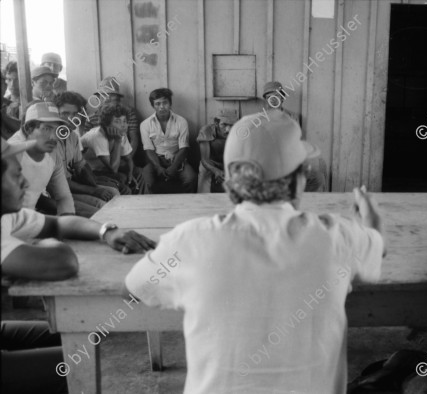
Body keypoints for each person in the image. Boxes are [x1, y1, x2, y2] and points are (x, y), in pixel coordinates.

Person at [124, 111, 385, 393]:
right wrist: (371, 221)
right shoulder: (338, 237)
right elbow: (377, 248)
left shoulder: (190, 240)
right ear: (298, 180)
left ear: (232, 182)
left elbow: (136, 287)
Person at [1, 138, 155, 394]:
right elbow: (62, 264)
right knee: (76, 360)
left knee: (86, 335)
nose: (25, 183)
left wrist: (107, 232)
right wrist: (44, 244)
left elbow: (61, 223)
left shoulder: (7, 216)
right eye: (17, 176)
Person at [53, 91, 120, 215]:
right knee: (101, 207)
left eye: (75, 114)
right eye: (65, 114)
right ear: (55, 114)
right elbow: (59, 182)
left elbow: (81, 166)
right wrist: (93, 190)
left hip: (70, 187)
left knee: (113, 193)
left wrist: (96, 183)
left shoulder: (72, 136)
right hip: (55, 193)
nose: (71, 119)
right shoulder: (51, 141)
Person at [8, 102, 75, 216]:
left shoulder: (53, 156)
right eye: (46, 129)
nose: (53, 137)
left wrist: (68, 221)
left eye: (56, 130)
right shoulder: (11, 154)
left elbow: (63, 197)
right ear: (29, 129)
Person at [263, 81, 327, 191]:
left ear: (282, 98)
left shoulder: (292, 117)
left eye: (276, 96)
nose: (273, 100)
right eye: (269, 97)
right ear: (266, 100)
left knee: (318, 178)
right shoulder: (258, 120)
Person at [81, 103, 148, 194]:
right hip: (90, 171)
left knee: (137, 172)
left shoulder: (120, 132)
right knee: (122, 179)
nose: (123, 125)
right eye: (117, 121)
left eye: (124, 121)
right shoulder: (97, 136)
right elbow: (113, 169)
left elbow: (128, 158)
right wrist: (117, 141)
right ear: (106, 124)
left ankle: (141, 200)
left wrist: (130, 174)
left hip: (104, 168)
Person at [140, 88, 196, 193]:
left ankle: (188, 206)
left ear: (170, 103)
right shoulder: (145, 124)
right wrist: (158, 167)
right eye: (157, 104)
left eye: (165, 102)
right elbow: (149, 149)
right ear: (153, 106)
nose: (162, 107)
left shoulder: (181, 121)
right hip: (156, 161)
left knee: (190, 178)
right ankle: (150, 207)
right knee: (147, 180)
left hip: (178, 159)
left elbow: (184, 148)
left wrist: (174, 166)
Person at [85, 76, 144, 166]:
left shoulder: (128, 113)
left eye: (111, 95)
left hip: (123, 156)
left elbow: (134, 139)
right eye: (103, 95)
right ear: (99, 98)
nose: (107, 98)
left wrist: (127, 161)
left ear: (117, 98)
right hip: (100, 160)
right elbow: (87, 146)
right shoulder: (91, 118)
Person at [196, 111, 236, 193]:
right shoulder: (206, 130)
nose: (228, 129)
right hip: (210, 163)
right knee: (203, 173)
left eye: (231, 125)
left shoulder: (238, 131)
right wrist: (216, 171)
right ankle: (201, 201)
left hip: (229, 162)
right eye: (224, 124)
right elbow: (205, 159)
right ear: (216, 123)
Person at [1, 61, 20, 138]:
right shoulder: (4, 101)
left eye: (16, 80)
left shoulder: (31, 102)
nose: (12, 84)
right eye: (9, 79)